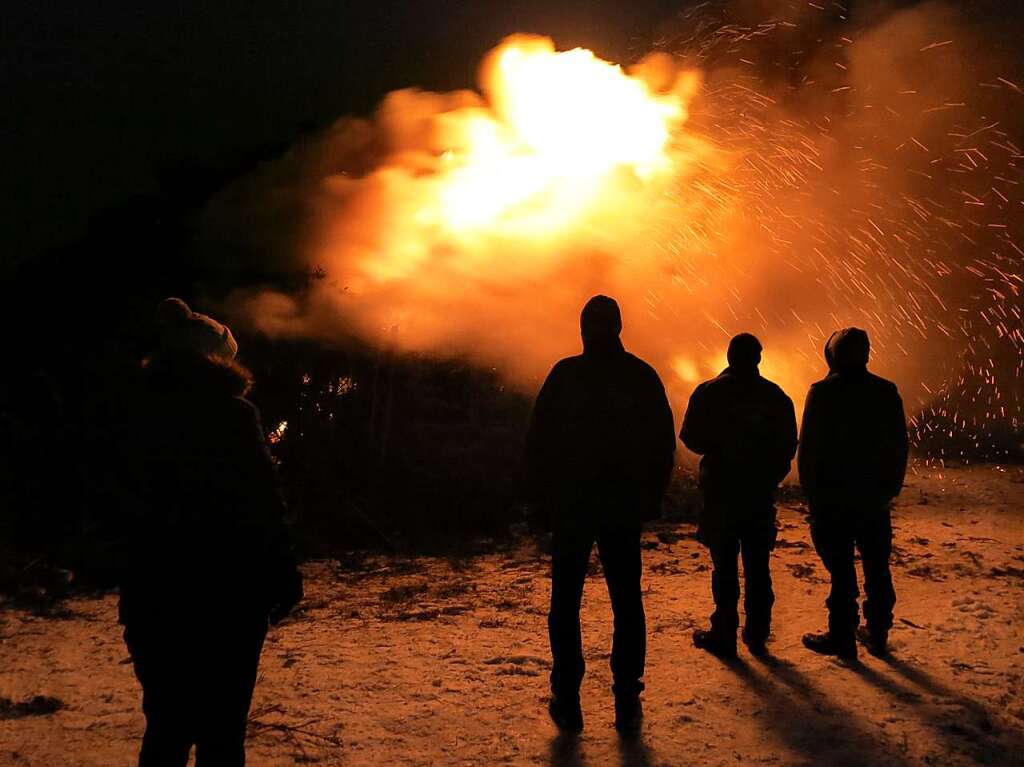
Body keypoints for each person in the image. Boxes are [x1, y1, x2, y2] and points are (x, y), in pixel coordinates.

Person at [119, 297, 303, 766]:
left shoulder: (133, 413)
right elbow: (261, 503)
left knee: (167, 725)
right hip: (229, 597)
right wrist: (283, 575)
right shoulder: (231, 416)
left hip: (154, 596)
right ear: (216, 358)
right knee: (221, 732)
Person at [526, 295, 675, 734]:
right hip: (622, 506)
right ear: (619, 326)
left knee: (566, 602)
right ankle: (627, 696)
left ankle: (567, 698)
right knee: (627, 601)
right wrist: (651, 497)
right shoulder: (641, 376)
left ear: (584, 328)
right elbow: (661, 444)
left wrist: (540, 501)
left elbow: (539, 444)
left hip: (573, 506)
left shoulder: (565, 374)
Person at [679, 334, 797, 658]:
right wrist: (768, 476)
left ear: (729, 356)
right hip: (758, 496)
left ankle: (724, 635)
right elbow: (788, 446)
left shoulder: (709, 393)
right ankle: (757, 635)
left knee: (725, 567)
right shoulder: (775, 397)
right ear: (758, 359)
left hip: (721, 494)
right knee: (758, 567)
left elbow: (690, 437)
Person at [798, 327, 908, 660]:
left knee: (842, 569)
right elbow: (898, 447)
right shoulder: (886, 391)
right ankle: (877, 632)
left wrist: (813, 495)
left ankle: (842, 636)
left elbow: (810, 449)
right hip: (873, 499)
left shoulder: (822, 392)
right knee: (877, 566)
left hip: (833, 501)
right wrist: (889, 488)